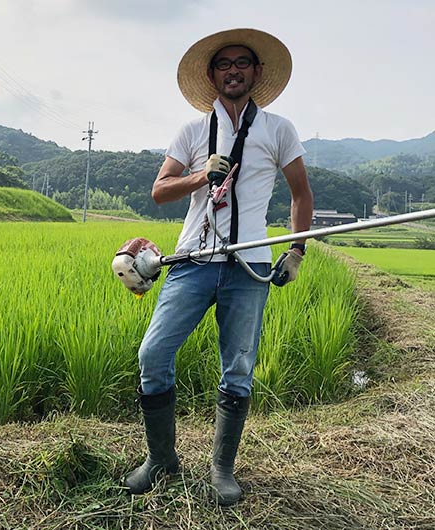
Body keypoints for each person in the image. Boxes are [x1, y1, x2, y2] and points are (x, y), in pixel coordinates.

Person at [124, 28, 314, 505]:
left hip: (249, 266)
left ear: (256, 72)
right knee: (153, 354)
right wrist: (198, 176)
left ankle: (221, 468)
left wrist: (296, 252)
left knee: (239, 367)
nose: (233, 69)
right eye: (224, 63)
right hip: (193, 260)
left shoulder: (279, 130)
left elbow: (301, 194)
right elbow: (160, 190)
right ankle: (161, 459)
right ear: (212, 76)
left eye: (242, 62)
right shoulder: (190, 131)